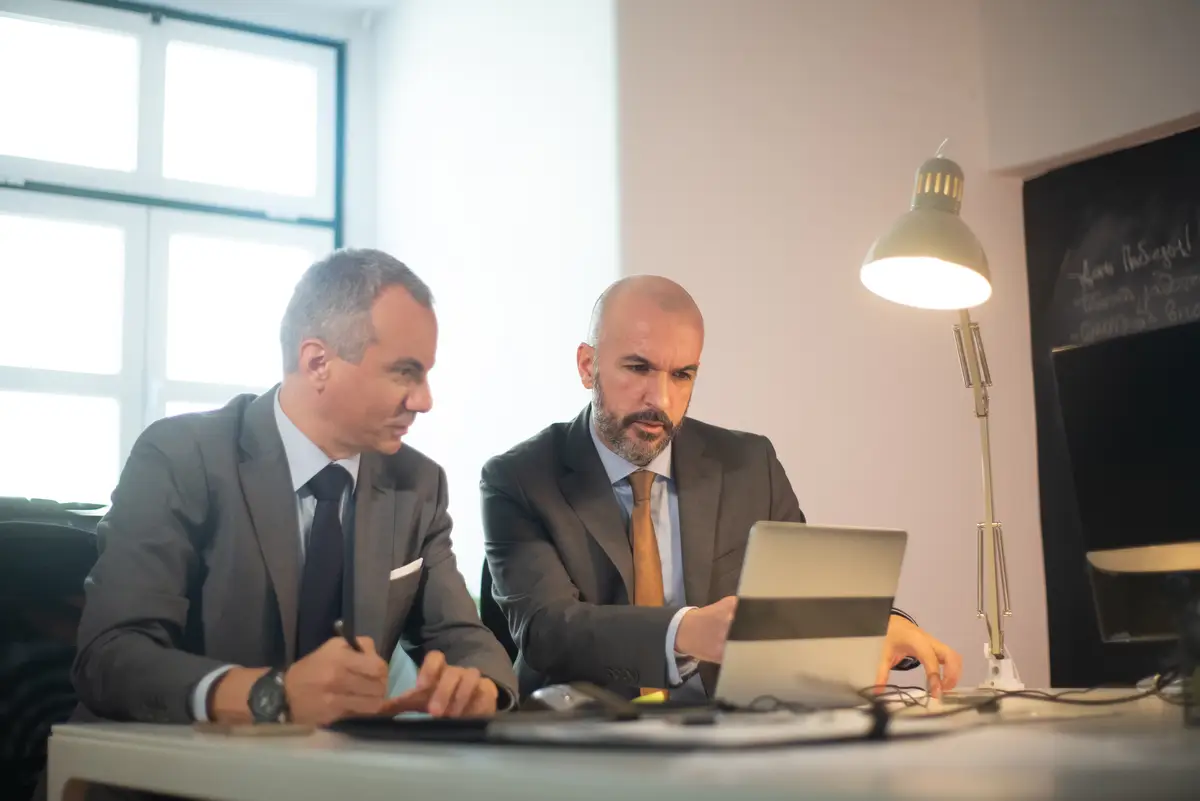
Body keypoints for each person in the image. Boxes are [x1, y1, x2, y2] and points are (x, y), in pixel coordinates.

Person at [71, 249, 517, 736]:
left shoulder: (417, 483)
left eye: (426, 373)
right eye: (404, 372)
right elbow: (111, 656)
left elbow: (462, 638)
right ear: (318, 361)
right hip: (165, 770)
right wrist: (273, 696)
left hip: (331, 776)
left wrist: (479, 688)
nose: (424, 400)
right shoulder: (182, 457)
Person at [481, 275, 962, 702]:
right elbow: (548, 631)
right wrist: (685, 631)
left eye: (682, 375)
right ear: (588, 366)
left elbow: (800, 598)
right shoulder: (519, 479)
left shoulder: (749, 464)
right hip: (582, 742)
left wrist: (882, 626)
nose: (661, 400)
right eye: (637, 368)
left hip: (731, 733)